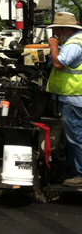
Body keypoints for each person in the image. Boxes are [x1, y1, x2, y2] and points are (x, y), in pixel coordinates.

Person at [47, 11, 82, 187]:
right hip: (75, 97)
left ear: (64, 29)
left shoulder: (74, 44)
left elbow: (59, 64)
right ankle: (72, 169)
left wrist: (54, 47)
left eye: (57, 30)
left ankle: (79, 176)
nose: (55, 35)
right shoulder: (78, 41)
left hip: (73, 98)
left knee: (76, 137)